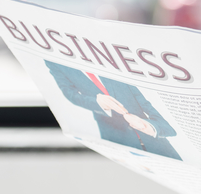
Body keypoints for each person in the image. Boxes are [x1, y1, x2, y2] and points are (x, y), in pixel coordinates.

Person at [45, 60, 181, 160]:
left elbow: (143, 102)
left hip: (155, 141)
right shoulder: (56, 63)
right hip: (115, 136)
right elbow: (70, 93)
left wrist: (150, 126)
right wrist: (98, 103)